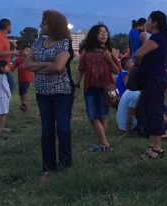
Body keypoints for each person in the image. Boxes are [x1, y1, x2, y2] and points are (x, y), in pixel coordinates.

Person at [25, 10, 75, 180]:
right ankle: (48, 167)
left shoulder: (64, 43)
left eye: (44, 22)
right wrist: (48, 64)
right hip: (42, 93)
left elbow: (59, 67)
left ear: (53, 24)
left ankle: (66, 163)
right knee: (46, 130)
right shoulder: (37, 42)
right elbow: (27, 65)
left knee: (62, 128)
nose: (41, 25)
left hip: (62, 93)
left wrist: (38, 65)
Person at [73, 24, 120, 152]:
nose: (104, 34)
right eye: (100, 32)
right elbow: (80, 70)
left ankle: (102, 145)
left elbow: (117, 71)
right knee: (93, 116)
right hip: (90, 87)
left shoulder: (111, 50)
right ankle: (104, 144)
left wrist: (109, 59)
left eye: (106, 32)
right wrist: (76, 86)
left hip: (106, 88)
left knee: (103, 116)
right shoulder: (86, 51)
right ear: (94, 34)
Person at [134, 10, 167, 159]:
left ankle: (157, 149)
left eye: (148, 20)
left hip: (155, 80)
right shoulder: (159, 37)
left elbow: (138, 53)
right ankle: (152, 146)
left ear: (155, 22)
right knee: (149, 112)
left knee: (155, 112)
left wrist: (136, 66)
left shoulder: (158, 37)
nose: (146, 23)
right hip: (153, 79)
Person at [11, 44, 34, 112]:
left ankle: (25, 103)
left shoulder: (30, 59)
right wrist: (9, 68)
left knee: (24, 91)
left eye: (29, 51)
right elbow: (13, 67)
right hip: (20, 79)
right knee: (21, 93)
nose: (28, 52)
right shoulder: (18, 60)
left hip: (28, 78)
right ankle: (22, 105)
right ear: (22, 51)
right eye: (26, 50)